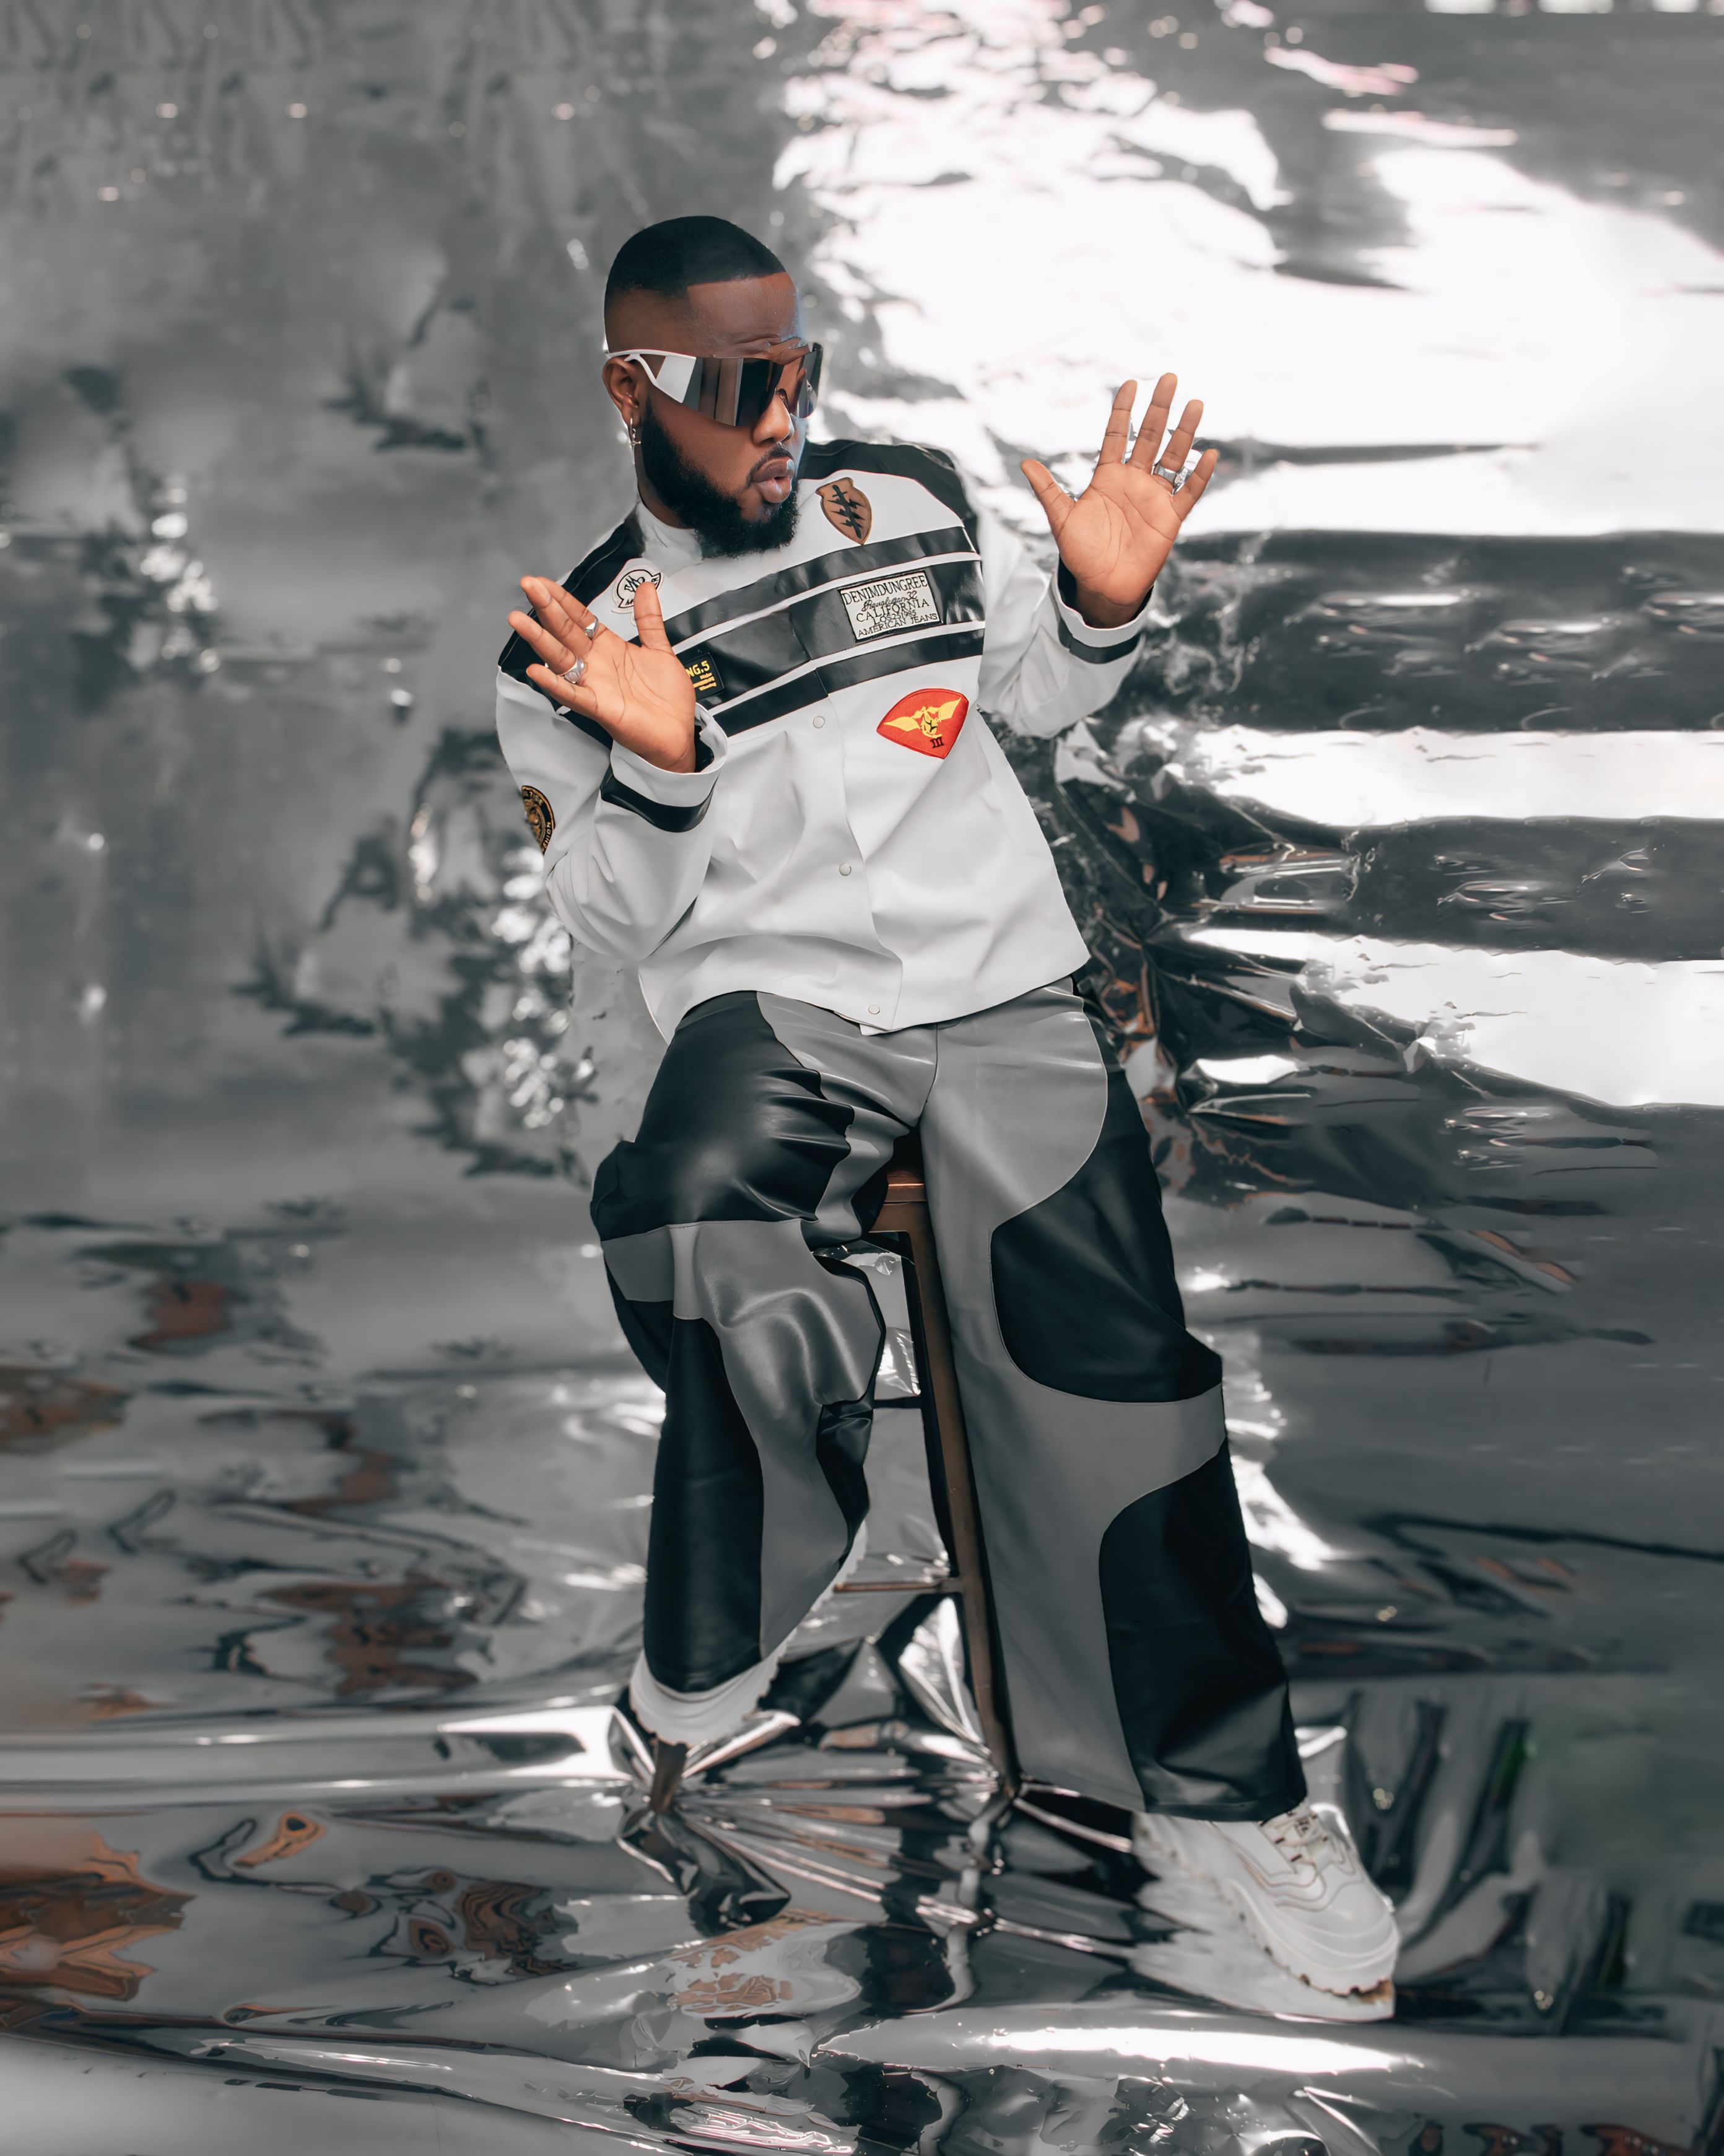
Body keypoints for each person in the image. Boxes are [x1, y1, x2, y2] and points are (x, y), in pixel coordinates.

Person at [494, 216, 1397, 2012]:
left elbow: (1036, 691)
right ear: (629, 387)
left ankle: (1217, 1795)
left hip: (1000, 987)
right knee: (695, 1217)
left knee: (1119, 1360)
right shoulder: (573, 636)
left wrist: (1102, 604)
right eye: (735, 383)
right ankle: (727, 1623)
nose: (779, 413)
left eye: (795, 370)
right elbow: (612, 919)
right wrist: (659, 768)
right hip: (774, 1005)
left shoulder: (906, 499)